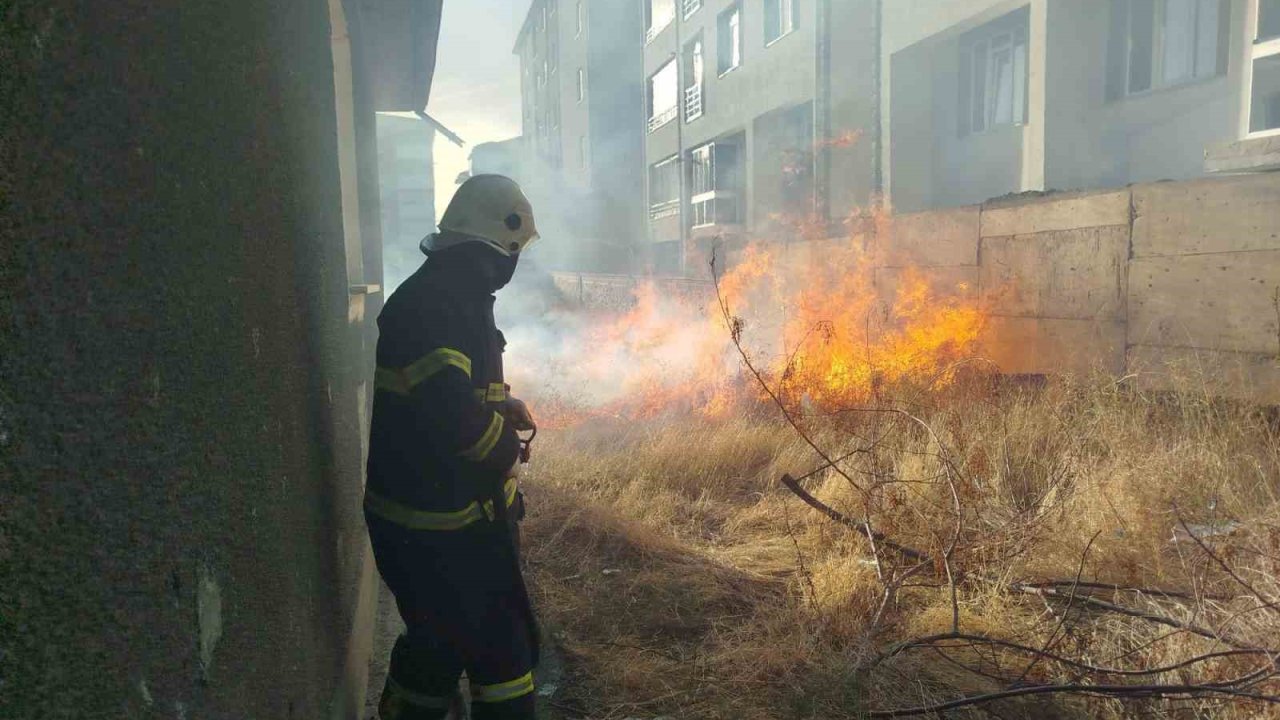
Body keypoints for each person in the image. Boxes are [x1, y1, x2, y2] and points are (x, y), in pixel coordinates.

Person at [365, 174, 540, 719]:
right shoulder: (436, 305)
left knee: (436, 648)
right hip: (440, 531)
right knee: (502, 652)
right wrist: (506, 451)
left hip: (433, 523)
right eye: (514, 252)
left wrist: (502, 406)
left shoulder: (450, 295)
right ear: (493, 250)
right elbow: (452, 416)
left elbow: (452, 390)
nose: (515, 264)